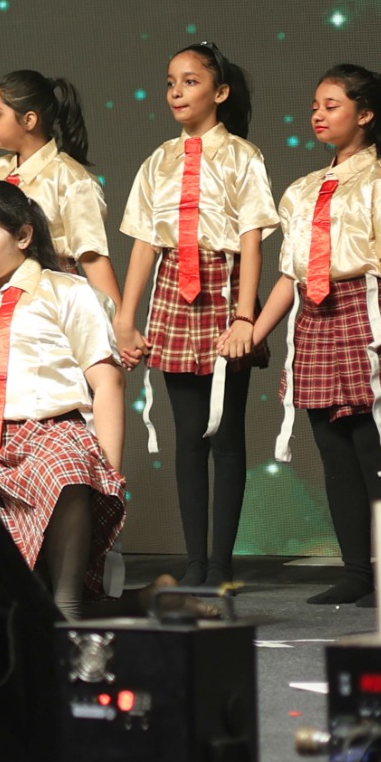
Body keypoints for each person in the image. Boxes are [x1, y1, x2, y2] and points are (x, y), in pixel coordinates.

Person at [251, 65, 381, 609]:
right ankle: (356, 571)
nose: (318, 115)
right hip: (315, 319)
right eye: (315, 106)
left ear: (365, 114)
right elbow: (290, 275)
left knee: (375, 449)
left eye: (331, 106)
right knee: (333, 454)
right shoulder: (301, 191)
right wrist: (255, 333)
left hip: (364, 314)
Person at [114, 42, 278, 586]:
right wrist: (126, 318)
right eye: (170, 82)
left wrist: (245, 316)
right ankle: (195, 563)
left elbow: (251, 240)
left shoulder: (242, 156)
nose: (176, 93)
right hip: (173, 290)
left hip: (223, 288)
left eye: (190, 82)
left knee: (225, 434)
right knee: (188, 436)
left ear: (220, 92)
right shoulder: (158, 160)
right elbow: (143, 243)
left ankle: (222, 563)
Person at [0, 181, 129, 619]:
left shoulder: (69, 292)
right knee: (1, 608)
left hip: (49, 435)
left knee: (64, 462)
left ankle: (69, 604)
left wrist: (109, 474)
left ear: (23, 235)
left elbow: (107, 383)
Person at [0, 70, 118, 399]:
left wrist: (118, 323)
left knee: (34, 392)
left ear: (29, 120)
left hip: (40, 303)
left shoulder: (69, 179)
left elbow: (92, 256)